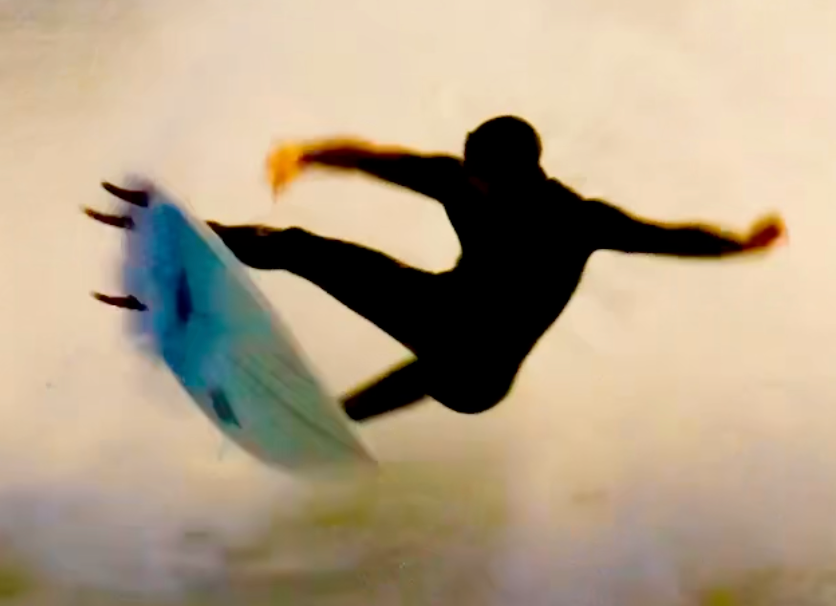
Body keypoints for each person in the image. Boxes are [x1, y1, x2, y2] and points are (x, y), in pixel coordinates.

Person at [96, 116, 784, 424]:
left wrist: (740, 245)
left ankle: (342, 416)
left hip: (481, 367)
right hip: (441, 314)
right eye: (469, 170)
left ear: (518, 173)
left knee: (443, 363)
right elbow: (375, 159)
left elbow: (669, 237)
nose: (468, 183)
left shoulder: (575, 219)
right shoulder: (460, 180)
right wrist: (305, 154)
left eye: (480, 175)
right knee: (304, 247)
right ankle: (189, 238)